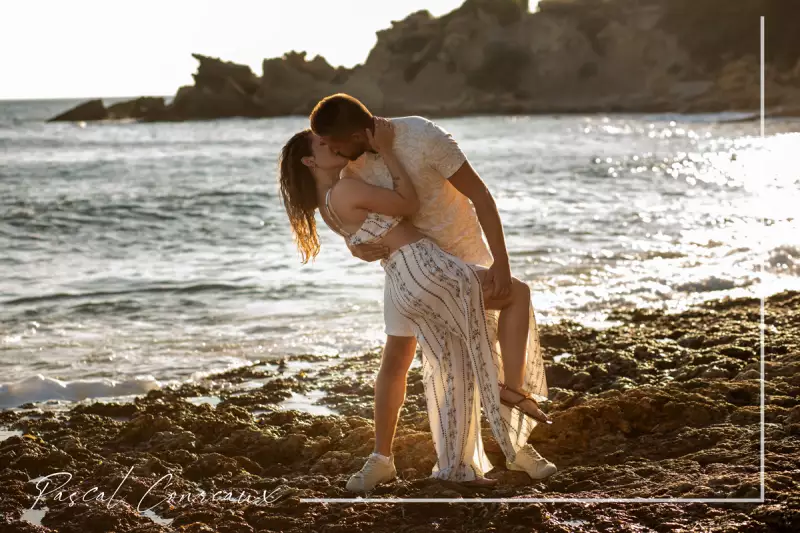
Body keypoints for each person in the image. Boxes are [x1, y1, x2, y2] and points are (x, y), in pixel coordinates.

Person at [279, 95, 557, 491]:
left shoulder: (421, 136)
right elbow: (355, 216)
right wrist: (357, 246)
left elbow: (480, 196)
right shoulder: (348, 165)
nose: (335, 150)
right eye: (325, 145)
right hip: (412, 268)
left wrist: (501, 262)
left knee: (470, 352)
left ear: (355, 135)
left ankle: (513, 449)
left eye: (332, 143)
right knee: (405, 357)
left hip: (455, 256)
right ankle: (383, 457)